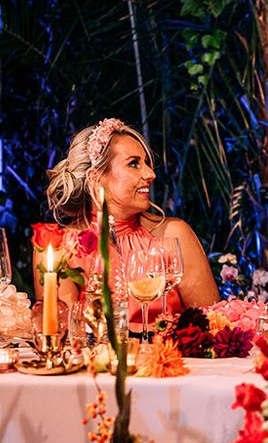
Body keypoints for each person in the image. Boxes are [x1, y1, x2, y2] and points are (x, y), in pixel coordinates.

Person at [35, 118, 219, 326]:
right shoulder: (60, 247)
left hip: (170, 358)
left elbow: (213, 326)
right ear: (96, 178)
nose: (151, 174)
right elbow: (63, 332)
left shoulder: (173, 236)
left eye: (147, 163)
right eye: (134, 164)